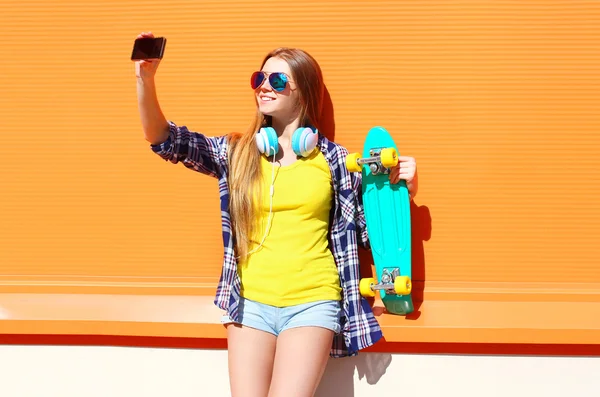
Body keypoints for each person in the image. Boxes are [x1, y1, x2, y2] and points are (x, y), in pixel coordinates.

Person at [134, 32, 418, 397]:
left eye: (278, 80)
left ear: (303, 92)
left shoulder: (335, 161)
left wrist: (400, 190)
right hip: (249, 303)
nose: (264, 87)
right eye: (259, 78)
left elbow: (367, 233)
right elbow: (163, 139)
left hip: (312, 301)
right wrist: (145, 78)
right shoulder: (237, 153)